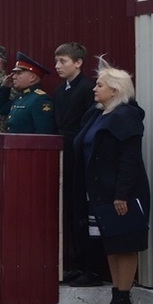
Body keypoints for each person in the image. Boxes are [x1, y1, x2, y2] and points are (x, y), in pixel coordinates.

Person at [72, 62, 151, 304]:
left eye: (100, 84)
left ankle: (122, 300)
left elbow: (130, 160)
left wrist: (122, 194)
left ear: (115, 90)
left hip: (121, 193)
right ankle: (116, 298)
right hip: (99, 192)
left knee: (125, 244)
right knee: (111, 244)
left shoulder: (126, 115)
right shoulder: (98, 114)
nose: (95, 88)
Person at [51, 42, 102, 286]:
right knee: (71, 212)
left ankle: (91, 268)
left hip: (80, 156)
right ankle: (78, 263)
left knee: (83, 213)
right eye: (57, 61)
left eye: (63, 61)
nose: (58, 66)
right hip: (66, 155)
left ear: (78, 63)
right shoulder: (61, 91)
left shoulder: (87, 89)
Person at [0, 52, 56, 134]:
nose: (13, 77)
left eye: (19, 73)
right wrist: (5, 88)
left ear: (33, 77)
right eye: (14, 73)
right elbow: (1, 109)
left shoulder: (40, 99)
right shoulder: (21, 97)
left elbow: (43, 133)